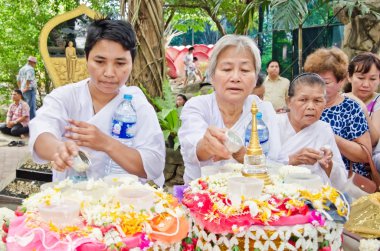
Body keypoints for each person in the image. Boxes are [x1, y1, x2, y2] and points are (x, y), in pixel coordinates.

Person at [29, 18, 165, 186]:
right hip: (72, 201)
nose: (109, 73)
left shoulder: (137, 104)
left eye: (120, 63)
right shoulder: (65, 97)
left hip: (122, 204)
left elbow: (154, 165)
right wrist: (59, 150)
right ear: (86, 58)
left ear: (131, 63)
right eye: (100, 62)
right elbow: (41, 133)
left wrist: (105, 143)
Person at [178, 35, 281, 184]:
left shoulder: (263, 110)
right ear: (212, 76)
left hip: (257, 200)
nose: (235, 77)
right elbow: (193, 148)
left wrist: (241, 154)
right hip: (202, 200)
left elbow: (276, 164)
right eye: (226, 69)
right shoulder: (197, 106)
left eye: (245, 70)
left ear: (255, 80)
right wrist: (207, 146)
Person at [304, 47, 371, 177]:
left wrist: (328, 134)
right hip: (305, 175)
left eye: (325, 82)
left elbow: (364, 154)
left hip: (341, 180)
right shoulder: (302, 104)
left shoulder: (350, 108)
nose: (317, 86)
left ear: (341, 81)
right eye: (313, 80)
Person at [275, 73, 347, 190]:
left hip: (315, 197)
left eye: (317, 101)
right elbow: (258, 167)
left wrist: (328, 165)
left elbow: (342, 182)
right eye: (303, 100)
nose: (311, 107)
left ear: (325, 103)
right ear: (289, 101)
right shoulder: (274, 125)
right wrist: (291, 160)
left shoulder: (323, 129)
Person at [345, 52, 380, 147]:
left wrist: (362, 109)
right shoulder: (340, 99)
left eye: (372, 79)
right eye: (361, 78)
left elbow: (373, 141)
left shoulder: (378, 102)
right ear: (349, 76)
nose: (366, 85)